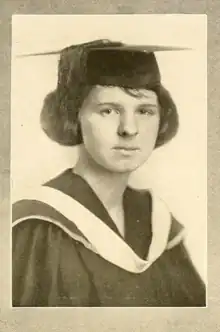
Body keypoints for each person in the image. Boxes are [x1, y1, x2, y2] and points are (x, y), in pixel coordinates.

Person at [12, 39, 206, 307]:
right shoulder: (39, 227)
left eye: (145, 111)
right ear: (72, 117)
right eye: (108, 110)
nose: (129, 128)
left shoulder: (157, 223)